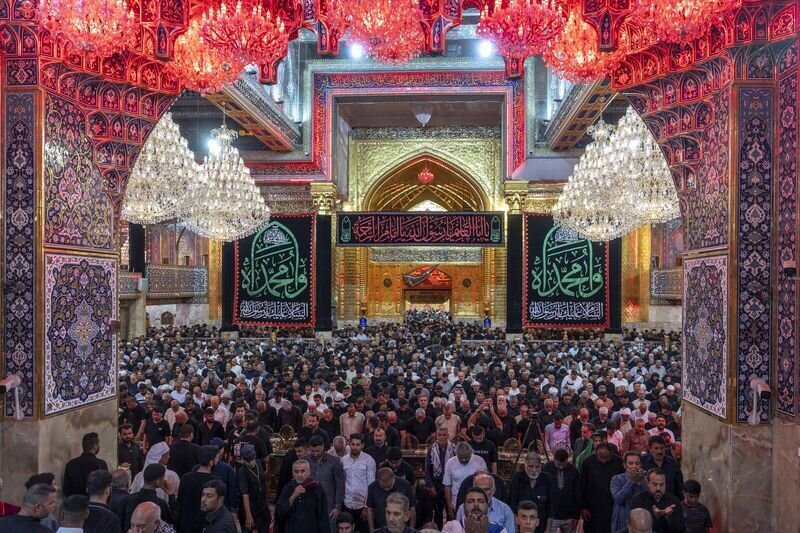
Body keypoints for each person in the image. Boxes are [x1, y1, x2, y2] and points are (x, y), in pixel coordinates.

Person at [276, 459, 330, 533]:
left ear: (309, 472)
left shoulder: (317, 489)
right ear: (293, 473)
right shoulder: (288, 488)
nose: (299, 475)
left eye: (302, 471)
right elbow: (280, 512)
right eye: (296, 472)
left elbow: (323, 516)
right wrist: (293, 496)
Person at [580, 442, 624, 533]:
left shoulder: (619, 462)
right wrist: (583, 507)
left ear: (611, 454)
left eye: (606, 458)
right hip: (592, 509)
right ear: (596, 453)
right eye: (601, 458)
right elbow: (582, 486)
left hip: (612, 507)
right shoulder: (587, 463)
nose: (603, 461)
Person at [176, 445, 220, 533]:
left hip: (186, 524)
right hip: (205, 526)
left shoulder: (185, 478)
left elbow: (180, 501)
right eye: (216, 458)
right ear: (211, 462)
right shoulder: (216, 481)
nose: (218, 460)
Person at [120, 464, 176, 531]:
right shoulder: (160, 504)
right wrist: (171, 494)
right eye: (163, 478)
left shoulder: (127, 500)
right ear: (158, 481)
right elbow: (174, 521)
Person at [305, 435, 346, 527]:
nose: (315, 454)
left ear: (323, 446)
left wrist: (337, 507)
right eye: (312, 451)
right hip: (309, 505)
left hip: (329, 506)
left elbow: (340, 485)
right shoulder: (305, 461)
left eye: (318, 451)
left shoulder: (334, 461)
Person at [508, 452, 552, 533]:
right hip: (521, 527)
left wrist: (548, 529)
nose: (534, 470)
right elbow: (512, 505)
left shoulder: (547, 479)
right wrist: (515, 528)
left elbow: (551, 507)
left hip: (541, 527)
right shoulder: (517, 479)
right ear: (525, 465)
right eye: (531, 466)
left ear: (541, 466)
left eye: (537, 467)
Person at [630, 469, 685, 533]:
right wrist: (655, 516)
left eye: (661, 485)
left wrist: (669, 517)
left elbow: (680, 529)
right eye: (655, 484)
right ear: (648, 483)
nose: (658, 488)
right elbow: (636, 527)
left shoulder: (674, 501)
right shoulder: (638, 500)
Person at [341, 433, 376, 533]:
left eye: (358, 445)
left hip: (362, 505)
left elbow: (371, 485)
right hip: (347, 503)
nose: (355, 447)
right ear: (349, 444)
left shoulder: (369, 461)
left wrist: (367, 507)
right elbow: (342, 481)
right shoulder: (343, 460)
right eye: (353, 444)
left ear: (362, 445)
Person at [541, 448, 581, 533]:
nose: (561, 467)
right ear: (554, 459)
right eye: (558, 464)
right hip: (551, 516)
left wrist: (576, 515)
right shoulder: (546, 469)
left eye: (564, 464)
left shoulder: (573, 471)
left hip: (569, 515)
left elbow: (577, 493)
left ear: (567, 460)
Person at [443, 442, 487, 519]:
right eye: (461, 458)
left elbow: (485, 482)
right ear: (456, 454)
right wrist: (449, 504)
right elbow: (447, 485)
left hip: (476, 502)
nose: (463, 460)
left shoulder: (480, 461)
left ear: (471, 453)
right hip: (456, 502)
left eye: (466, 457)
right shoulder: (450, 462)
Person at [442, 486, 508, 533]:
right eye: (470, 501)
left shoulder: (499, 530)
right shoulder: (451, 527)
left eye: (481, 501)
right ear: (463, 506)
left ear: (487, 506)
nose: (476, 504)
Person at [610, 452, 648, 533]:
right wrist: (631, 481)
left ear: (641, 465)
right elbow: (618, 499)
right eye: (631, 463)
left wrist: (640, 482)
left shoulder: (646, 480)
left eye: (637, 463)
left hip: (641, 520)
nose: (634, 466)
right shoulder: (616, 479)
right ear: (624, 465)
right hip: (622, 520)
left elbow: (647, 498)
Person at [237, 444, 271, 533]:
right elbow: (245, 494)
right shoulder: (242, 472)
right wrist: (248, 515)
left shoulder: (259, 463)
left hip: (262, 504)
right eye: (248, 461)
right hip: (250, 506)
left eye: (252, 459)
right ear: (243, 460)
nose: (251, 462)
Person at [62, 433, 109, 497]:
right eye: (98, 444)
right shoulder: (101, 464)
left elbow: (66, 490)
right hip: (94, 502)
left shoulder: (70, 464)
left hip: (75, 502)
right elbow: (106, 488)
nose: (99, 446)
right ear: (95, 446)